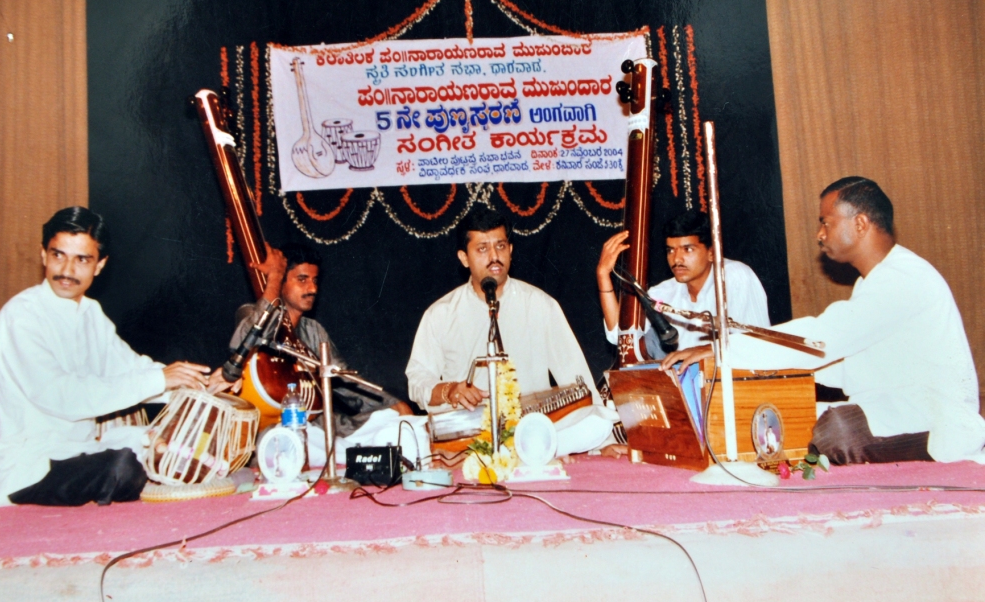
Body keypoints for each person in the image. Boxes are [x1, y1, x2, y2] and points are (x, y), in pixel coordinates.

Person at [662, 177, 985, 464]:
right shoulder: (875, 280)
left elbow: (822, 339)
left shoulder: (903, 278)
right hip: (893, 409)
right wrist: (762, 367)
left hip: (932, 418)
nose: (819, 234)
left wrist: (726, 351)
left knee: (833, 429)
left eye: (826, 223)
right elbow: (846, 361)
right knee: (792, 417)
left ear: (859, 224)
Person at [0, 207, 215, 508]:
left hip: (80, 453)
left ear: (100, 265)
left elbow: (131, 368)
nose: (66, 270)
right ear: (43, 255)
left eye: (81, 259)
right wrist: (159, 379)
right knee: (122, 467)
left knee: (165, 445)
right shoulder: (21, 316)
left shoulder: (91, 314)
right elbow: (64, 397)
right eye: (58, 255)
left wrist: (201, 385)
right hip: (32, 465)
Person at [406, 208, 618, 454]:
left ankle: (531, 448)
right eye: (482, 249)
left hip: (532, 425)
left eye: (501, 246)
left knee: (597, 420)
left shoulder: (540, 305)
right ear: (464, 258)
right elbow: (418, 380)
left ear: (511, 250)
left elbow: (575, 375)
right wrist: (449, 390)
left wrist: (604, 442)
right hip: (468, 430)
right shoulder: (440, 314)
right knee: (407, 431)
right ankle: (533, 453)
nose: (494, 257)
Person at [231, 242, 411, 437]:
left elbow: (344, 379)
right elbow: (243, 341)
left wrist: (392, 403)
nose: (312, 289)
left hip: (313, 427)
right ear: (282, 281)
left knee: (390, 421)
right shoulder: (250, 313)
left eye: (315, 280)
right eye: (302, 280)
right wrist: (273, 279)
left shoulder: (314, 330)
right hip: (269, 430)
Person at [597, 210, 769, 359]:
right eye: (670, 250)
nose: (676, 259)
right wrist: (603, 274)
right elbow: (620, 336)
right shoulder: (664, 292)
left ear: (711, 253)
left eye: (688, 249)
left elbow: (759, 342)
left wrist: (710, 350)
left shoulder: (735, 276)